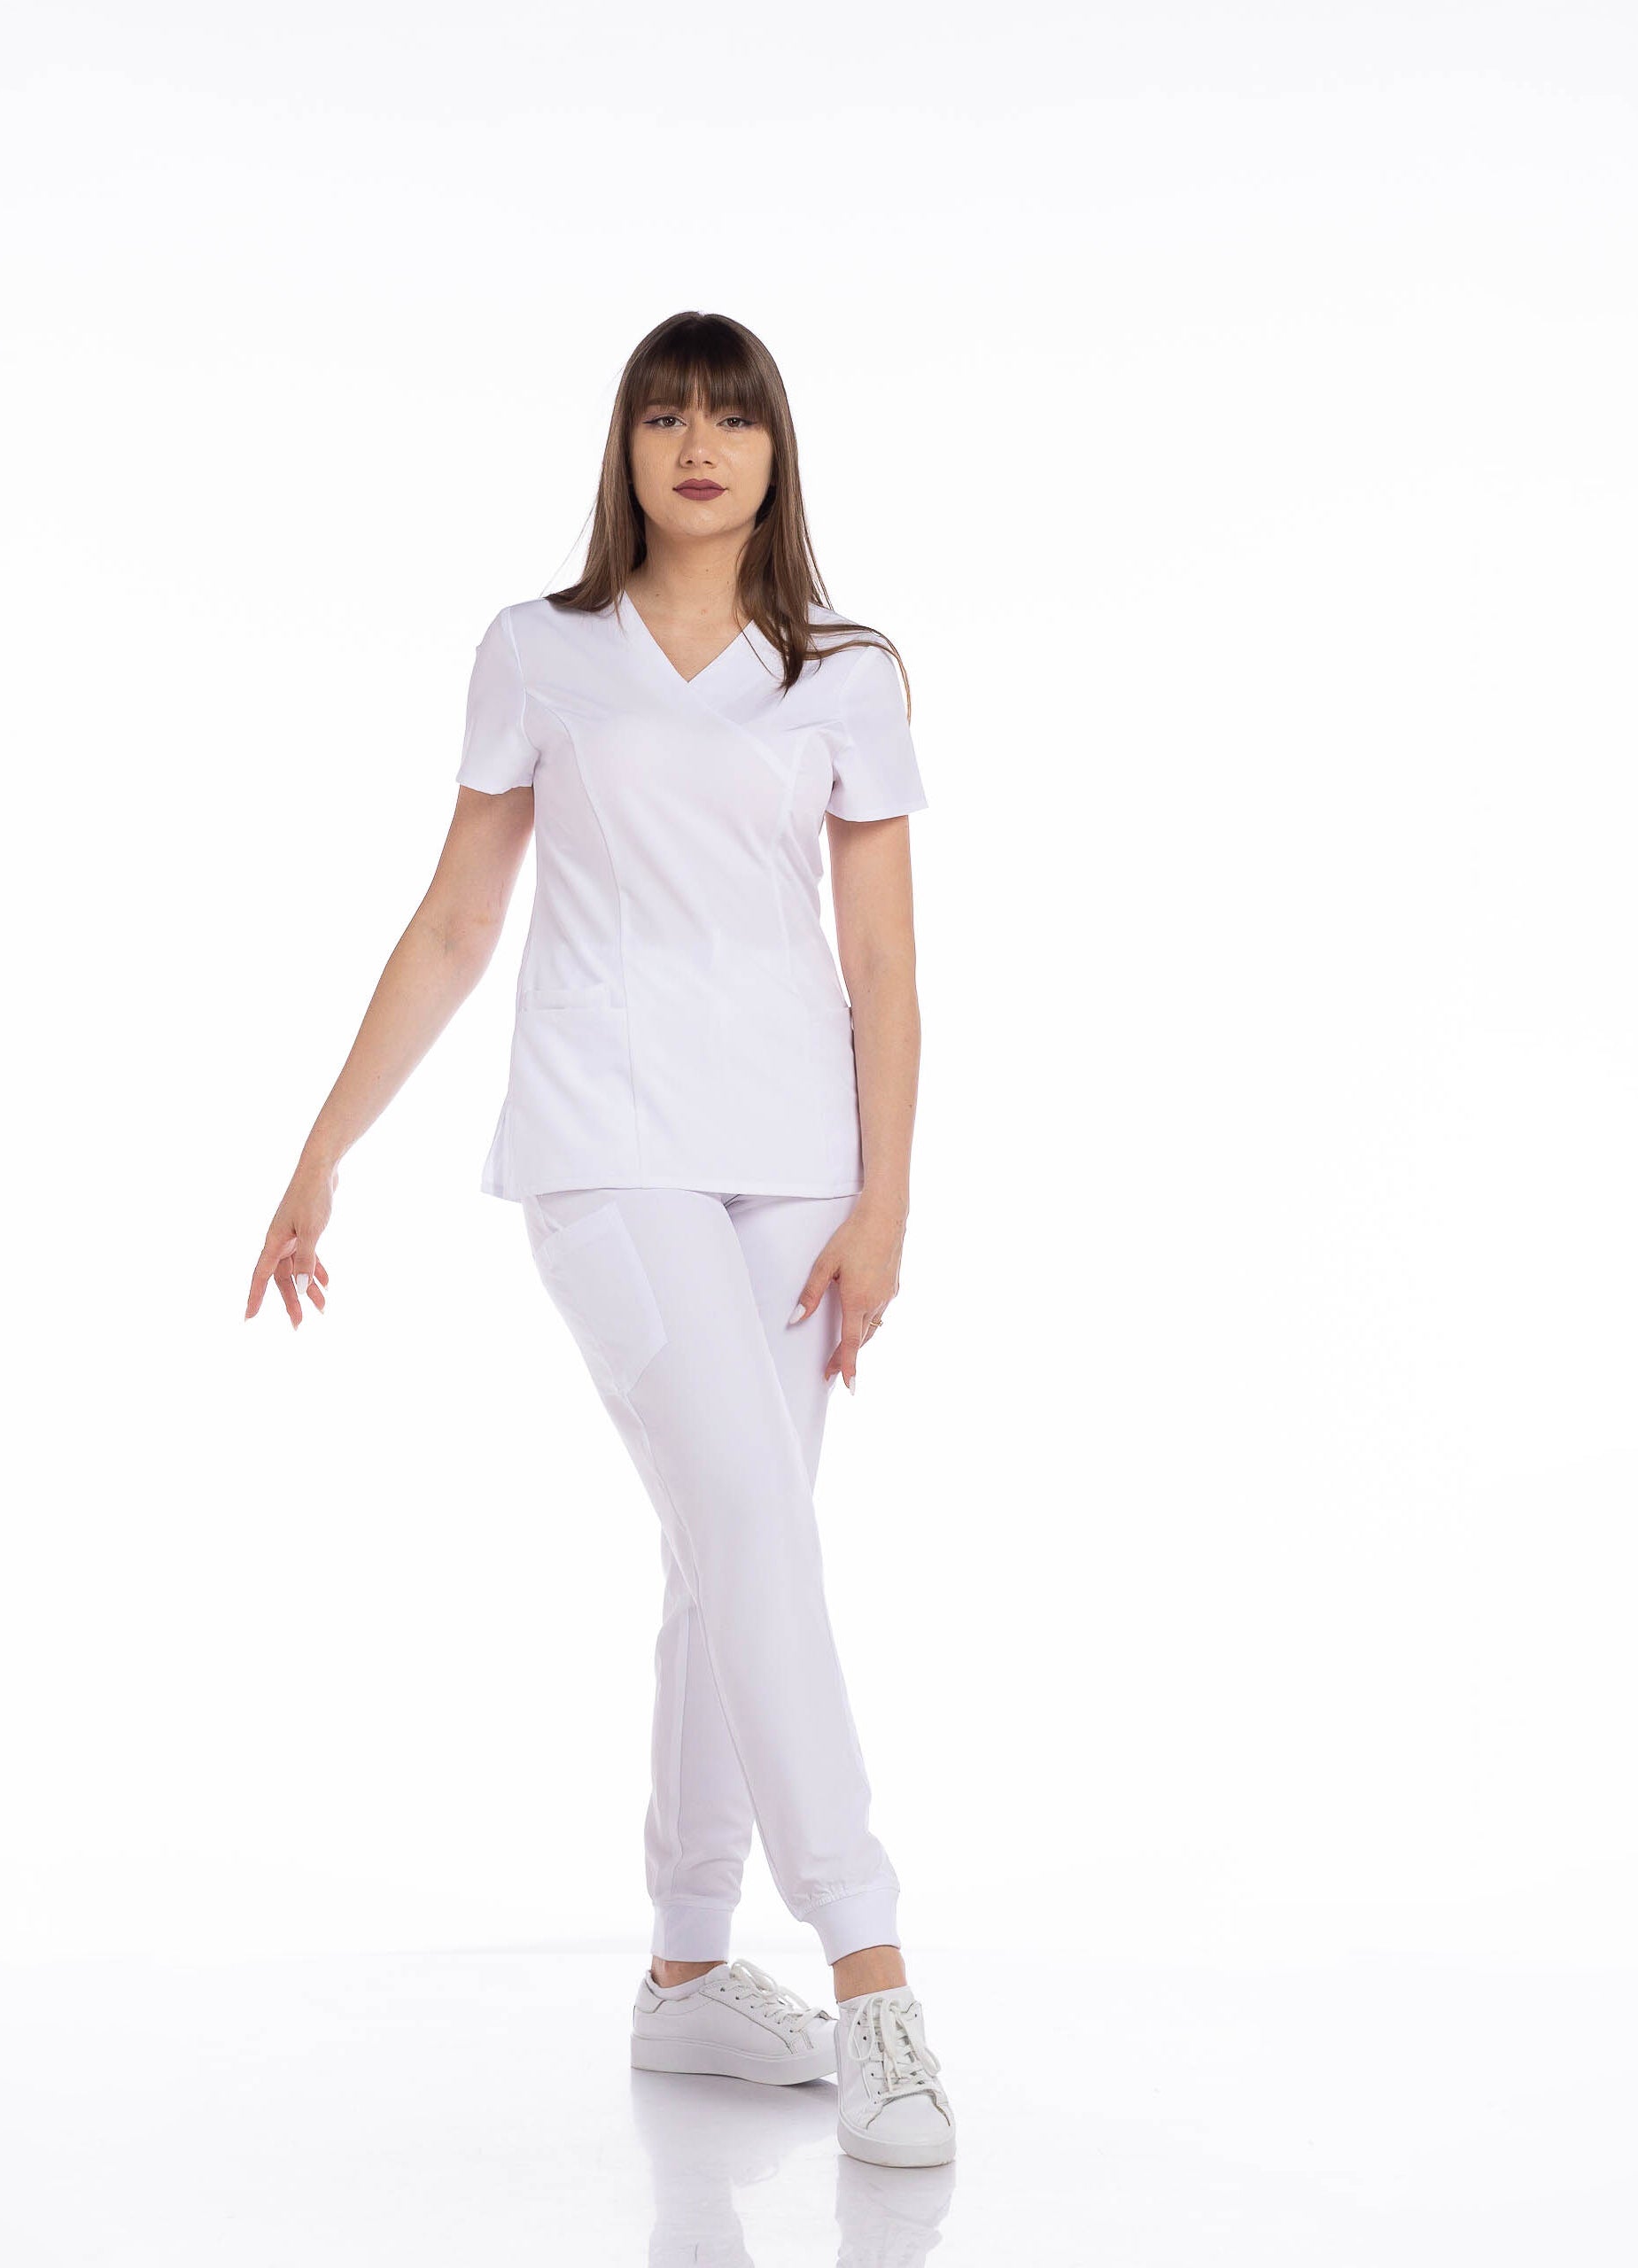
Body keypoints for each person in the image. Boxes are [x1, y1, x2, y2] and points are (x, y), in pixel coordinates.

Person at [243, 310, 955, 2170]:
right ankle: (873, 1967)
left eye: (731, 415)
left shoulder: (847, 674)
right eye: (664, 413)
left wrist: (884, 1202)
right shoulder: (537, 653)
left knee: (730, 1550)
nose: (698, 442)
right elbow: (457, 919)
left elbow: (884, 961)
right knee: (749, 1525)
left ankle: (687, 1968)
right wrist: (324, 1147)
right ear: (624, 447)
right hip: (607, 1146)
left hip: (797, 1168)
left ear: (776, 449)